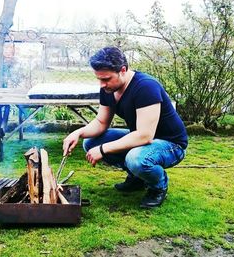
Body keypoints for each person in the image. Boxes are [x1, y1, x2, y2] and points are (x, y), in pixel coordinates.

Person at [62, 46, 188, 209]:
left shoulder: (146, 87)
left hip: (170, 144)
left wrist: (103, 149)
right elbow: (101, 122)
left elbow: (144, 136)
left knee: (136, 159)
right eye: (99, 79)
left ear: (122, 70)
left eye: (106, 79)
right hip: (143, 139)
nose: (102, 85)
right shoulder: (108, 89)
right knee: (90, 142)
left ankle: (158, 186)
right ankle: (137, 178)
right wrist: (78, 133)